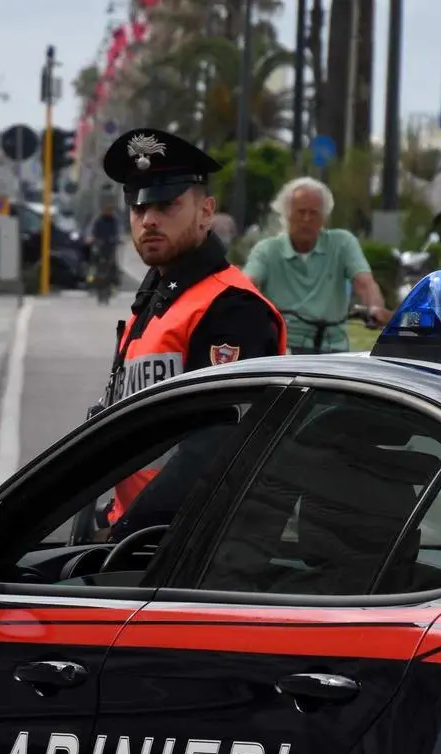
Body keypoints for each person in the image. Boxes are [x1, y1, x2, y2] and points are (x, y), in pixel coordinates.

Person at [91, 126, 287, 531]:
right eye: (139, 208)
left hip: (188, 546)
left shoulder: (232, 309)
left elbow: (215, 450)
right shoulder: (157, 298)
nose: (149, 220)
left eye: (166, 206)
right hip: (140, 535)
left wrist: (127, 535)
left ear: (206, 211)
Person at [243, 176, 393, 354]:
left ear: (324, 218)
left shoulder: (342, 243)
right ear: (287, 215)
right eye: (300, 212)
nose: (306, 219)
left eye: (313, 213)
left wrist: (375, 308)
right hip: (285, 346)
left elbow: (364, 282)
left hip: (333, 347)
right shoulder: (267, 250)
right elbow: (248, 284)